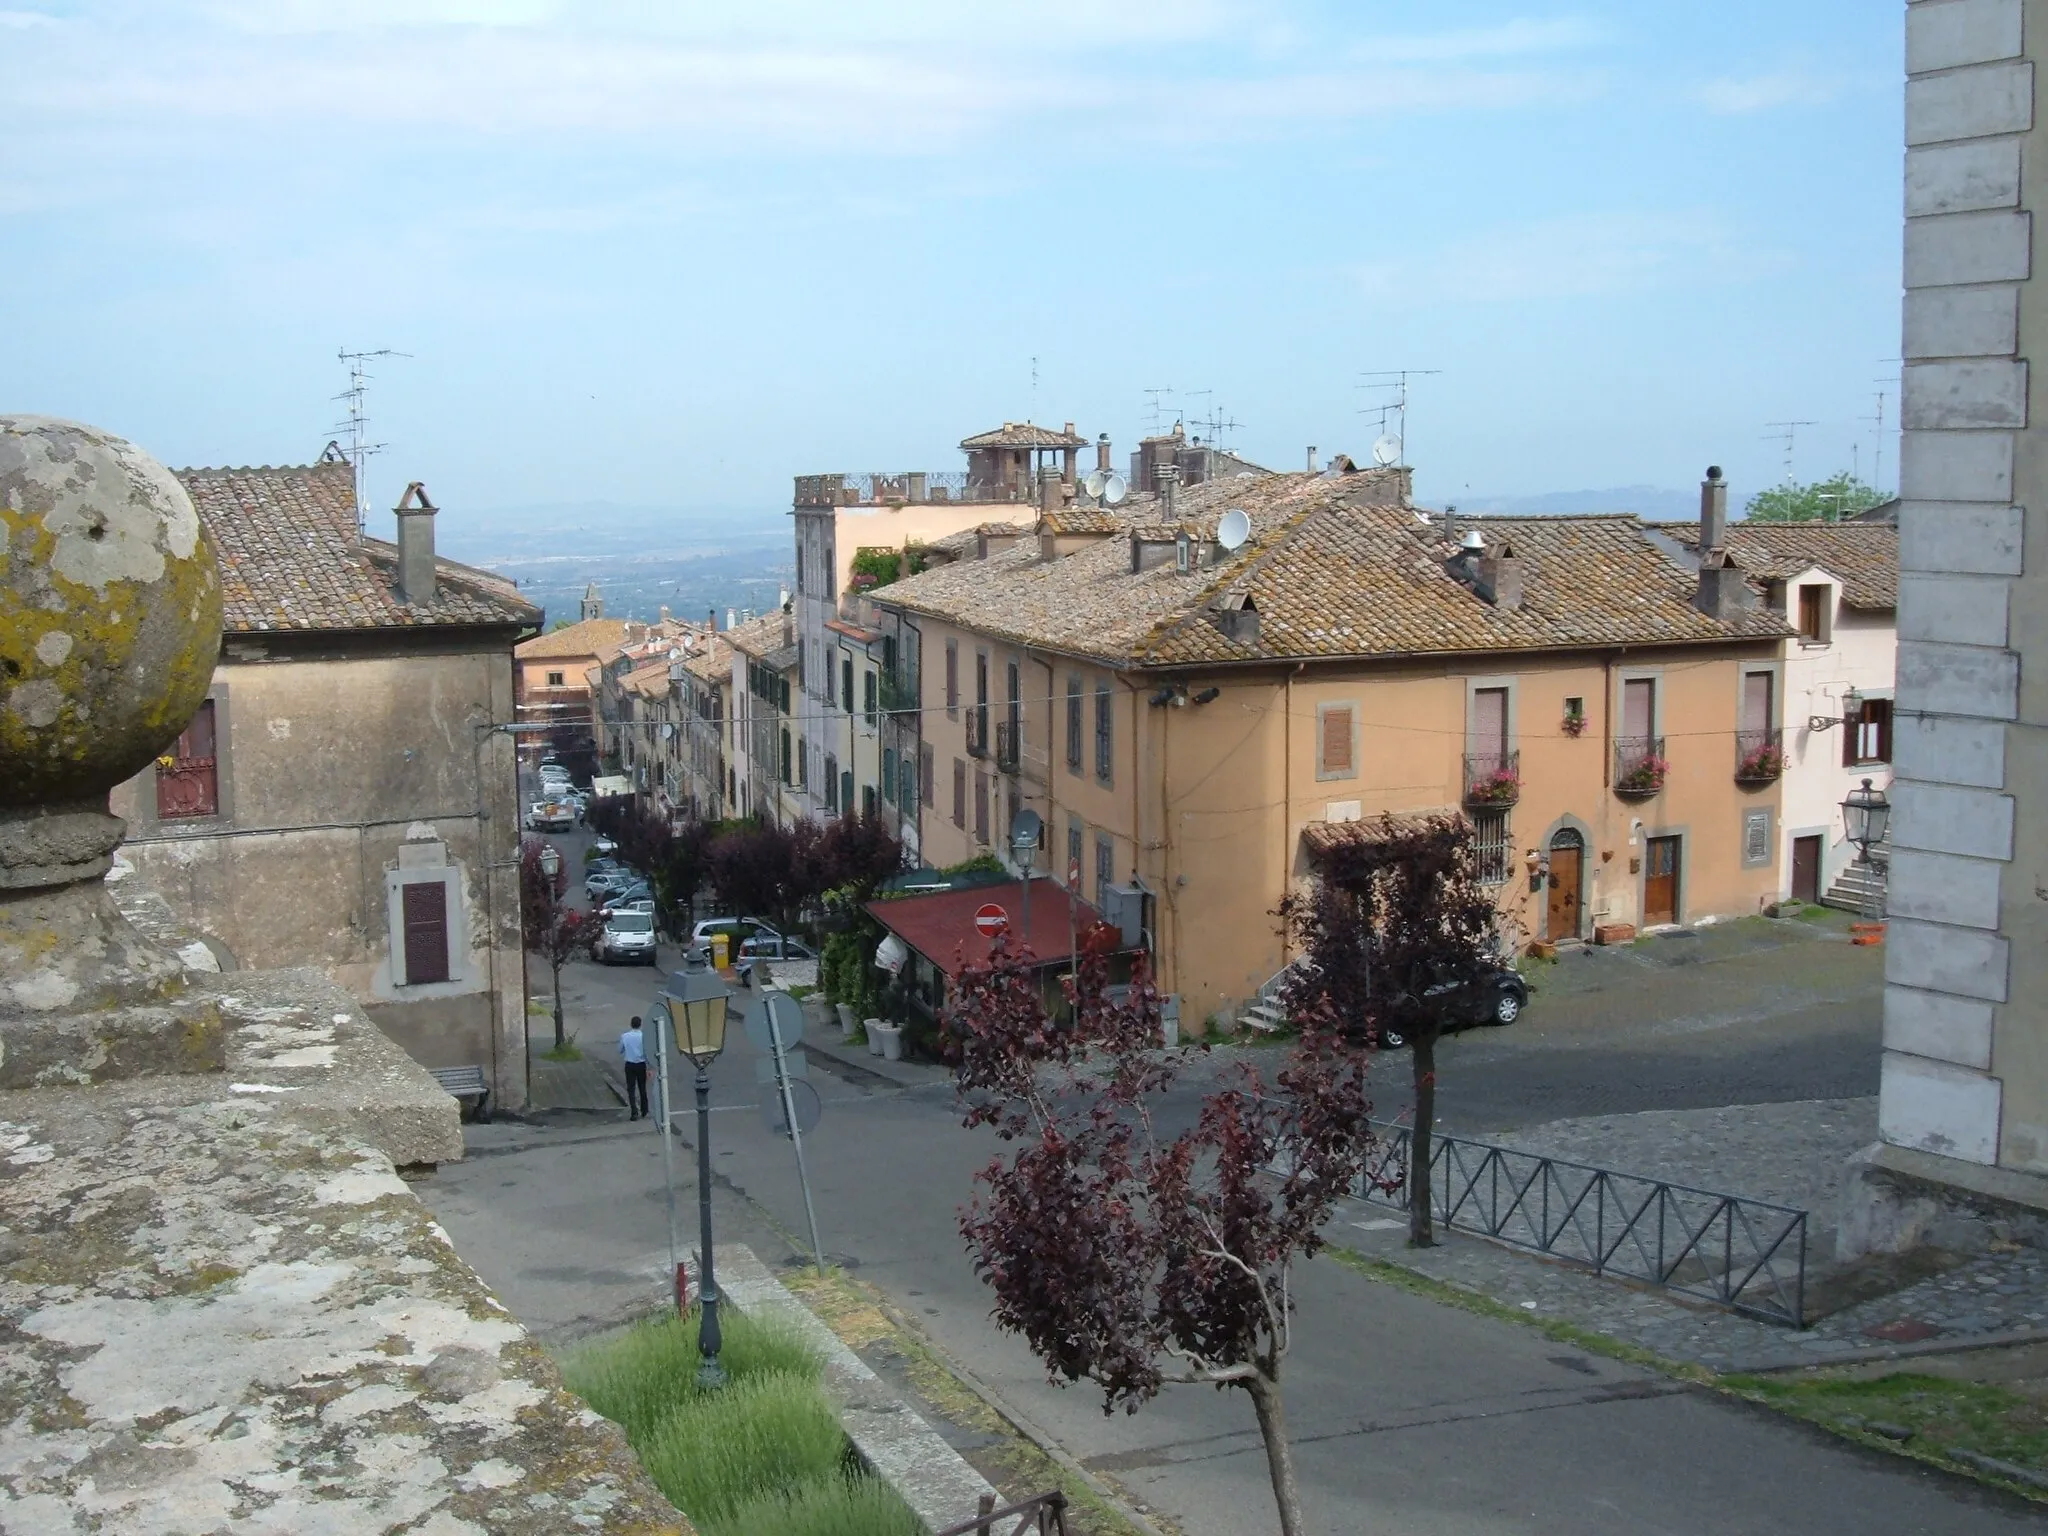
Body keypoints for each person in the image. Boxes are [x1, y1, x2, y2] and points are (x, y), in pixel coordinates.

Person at [619, 1015, 649, 1121]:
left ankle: (634, 1112)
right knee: (642, 1087)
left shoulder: (625, 1036)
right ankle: (644, 1110)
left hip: (630, 1064)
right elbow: (647, 1052)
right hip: (641, 1064)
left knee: (631, 1088)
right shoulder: (643, 1036)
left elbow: (620, 1050)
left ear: (631, 1024)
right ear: (640, 1025)